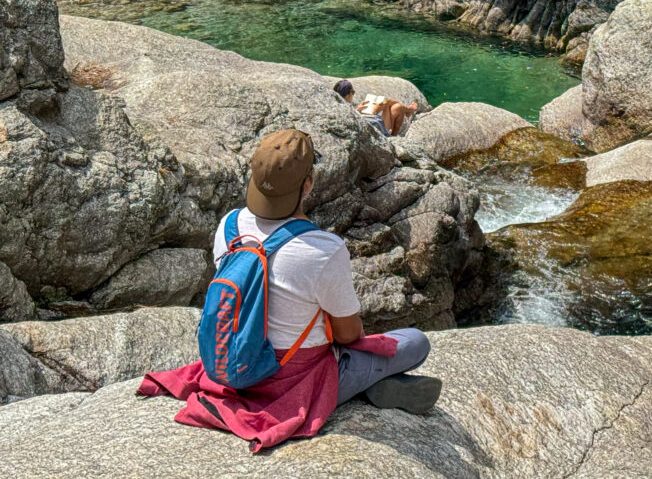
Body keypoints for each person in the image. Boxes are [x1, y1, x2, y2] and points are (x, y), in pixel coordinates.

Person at [138, 129, 441, 451]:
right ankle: (358, 387)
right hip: (291, 375)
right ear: (307, 184)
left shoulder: (229, 225)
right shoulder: (323, 248)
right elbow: (347, 335)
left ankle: (367, 384)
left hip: (234, 361)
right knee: (415, 342)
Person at [333, 79, 418, 136]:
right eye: (353, 92)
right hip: (378, 132)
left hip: (373, 126)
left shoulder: (337, 106)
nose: (353, 95)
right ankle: (408, 110)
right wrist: (374, 111)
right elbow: (370, 124)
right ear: (348, 95)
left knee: (395, 107)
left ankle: (407, 111)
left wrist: (357, 110)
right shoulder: (345, 108)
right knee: (389, 103)